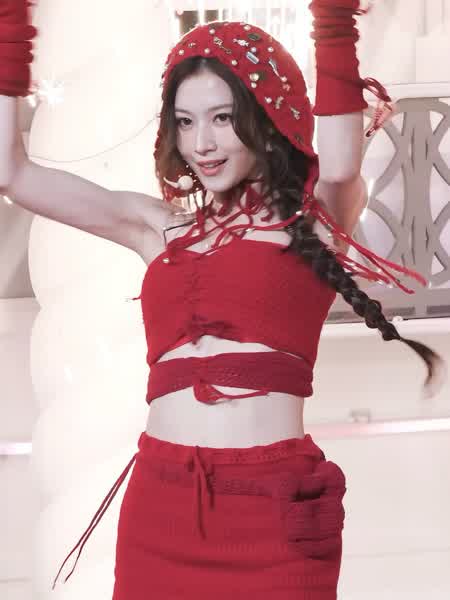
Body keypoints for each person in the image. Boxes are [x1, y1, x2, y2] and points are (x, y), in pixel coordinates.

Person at [1, 1, 446, 598]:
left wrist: (334, 20)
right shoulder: (157, 228)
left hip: (272, 512)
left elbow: (341, 164)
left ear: (267, 117)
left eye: (222, 118)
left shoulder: (310, 224)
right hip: (161, 504)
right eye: (185, 122)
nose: (202, 143)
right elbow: (11, 172)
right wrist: (11, 24)